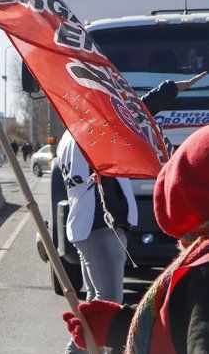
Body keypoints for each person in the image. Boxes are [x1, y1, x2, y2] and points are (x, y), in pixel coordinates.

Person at [63, 125, 209, 354]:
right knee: (102, 297)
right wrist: (119, 325)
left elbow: (183, 332)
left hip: (88, 227)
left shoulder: (203, 273)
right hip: (98, 227)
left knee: (98, 296)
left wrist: (118, 327)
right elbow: (180, 327)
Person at [58, 129, 137, 354]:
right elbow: (133, 113)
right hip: (100, 227)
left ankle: (81, 351)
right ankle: (76, 351)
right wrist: (172, 91)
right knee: (107, 305)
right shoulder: (87, 131)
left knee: (95, 304)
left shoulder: (68, 136)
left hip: (90, 225)